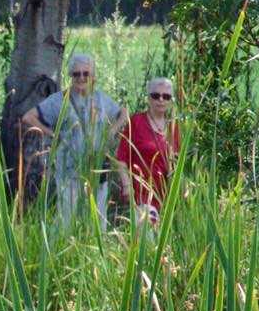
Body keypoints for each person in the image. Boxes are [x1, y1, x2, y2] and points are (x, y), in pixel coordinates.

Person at [21, 53, 127, 226]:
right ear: (70, 76)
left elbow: (124, 113)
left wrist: (112, 131)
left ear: (93, 76)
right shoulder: (58, 101)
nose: (81, 78)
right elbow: (28, 117)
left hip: (97, 168)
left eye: (86, 73)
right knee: (67, 220)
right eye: (76, 74)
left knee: (97, 221)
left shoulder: (102, 99)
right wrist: (53, 135)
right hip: (68, 170)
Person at [115, 77, 180, 224]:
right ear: (149, 99)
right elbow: (121, 158)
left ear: (171, 100)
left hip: (167, 198)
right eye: (156, 95)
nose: (161, 100)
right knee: (147, 239)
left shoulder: (174, 128)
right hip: (142, 196)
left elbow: (177, 163)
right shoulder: (136, 122)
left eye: (166, 96)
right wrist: (126, 186)